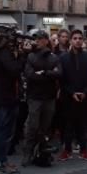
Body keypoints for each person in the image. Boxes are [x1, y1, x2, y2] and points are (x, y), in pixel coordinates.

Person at [0, 28, 25, 174]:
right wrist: (22, 55)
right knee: (4, 130)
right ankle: (0, 162)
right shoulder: (2, 53)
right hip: (6, 97)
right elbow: (15, 69)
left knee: (0, 130)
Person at [21, 30, 62, 164]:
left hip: (49, 97)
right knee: (32, 125)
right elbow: (30, 74)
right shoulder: (31, 56)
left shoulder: (53, 57)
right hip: (35, 97)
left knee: (45, 126)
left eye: (39, 39)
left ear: (45, 40)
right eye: (35, 39)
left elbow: (58, 73)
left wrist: (43, 73)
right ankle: (28, 151)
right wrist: (47, 75)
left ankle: (40, 151)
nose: (36, 41)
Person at [58, 30, 87, 161]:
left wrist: (85, 92)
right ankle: (67, 150)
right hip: (68, 97)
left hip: (84, 97)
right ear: (70, 41)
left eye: (80, 38)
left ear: (83, 41)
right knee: (68, 125)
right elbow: (61, 80)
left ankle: (84, 150)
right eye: (75, 38)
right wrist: (71, 93)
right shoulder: (63, 58)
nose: (78, 40)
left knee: (83, 125)